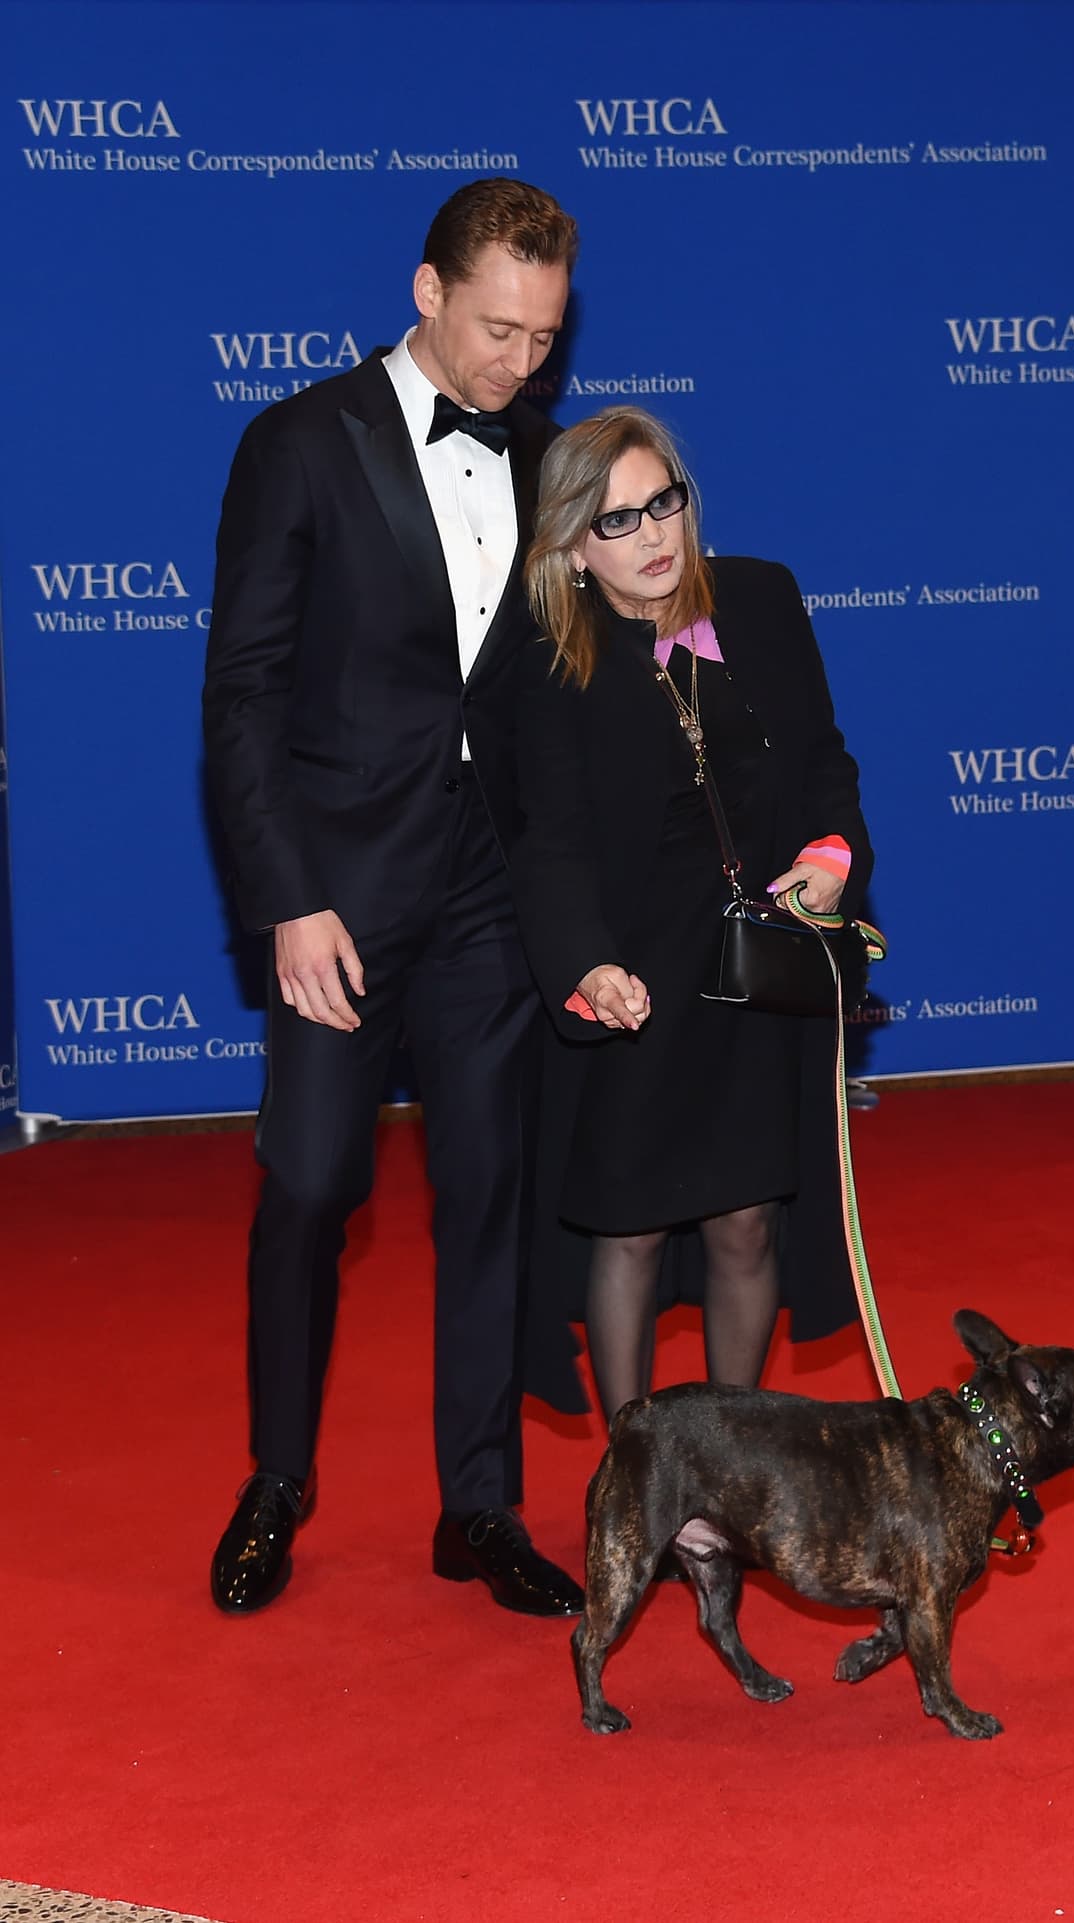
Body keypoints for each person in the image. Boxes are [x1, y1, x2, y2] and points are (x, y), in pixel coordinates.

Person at [202, 177, 584, 1618]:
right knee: (309, 1183)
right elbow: (240, 697)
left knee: (492, 1193)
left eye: (544, 337)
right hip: (344, 899)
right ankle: (279, 1478)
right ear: (426, 293)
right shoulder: (299, 442)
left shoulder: (549, 456)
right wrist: (289, 899)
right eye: (498, 329)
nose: (519, 363)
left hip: (493, 894)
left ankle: (478, 1503)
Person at [509, 408, 874, 1424]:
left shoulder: (759, 599)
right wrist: (584, 964)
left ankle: (727, 1470)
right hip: (636, 980)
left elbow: (822, 764)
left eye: (660, 503)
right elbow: (549, 841)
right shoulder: (552, 661)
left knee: (748, 1222)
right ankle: (640, 1479)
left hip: (754, 972)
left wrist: (830, 855)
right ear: (573, 549)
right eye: (615, 521)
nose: (652, 537)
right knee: (625, 1232)